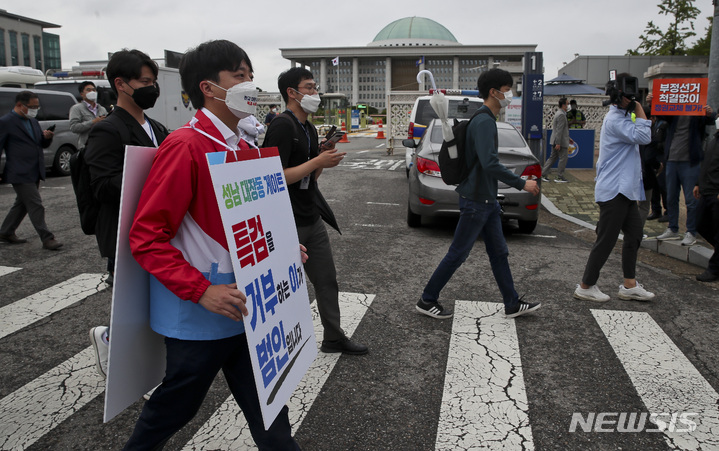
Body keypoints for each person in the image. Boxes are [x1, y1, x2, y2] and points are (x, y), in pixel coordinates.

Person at [125, 39, 300, 450]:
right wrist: (201, 290)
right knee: (176, 407)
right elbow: (146, 237)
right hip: (200, 314)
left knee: (270, 408)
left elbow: (252, 222)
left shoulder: (242, 144)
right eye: (240, 76)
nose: (251, 85)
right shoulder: (185, 146)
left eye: (251, 75)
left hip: (250, 305)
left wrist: (282, 251)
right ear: (208, 87)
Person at [416, 68, 541, 319]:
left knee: (499, 252)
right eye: (507, 90)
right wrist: (521, 183)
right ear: (494, 92)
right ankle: (427, 299)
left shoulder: (486, 119)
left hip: (486, 199)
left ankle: (512, 303)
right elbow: (489, 163)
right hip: (476, 200)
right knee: (458, 253)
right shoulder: (484, 121)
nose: (510, 95)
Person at [263, 67, 368, 355]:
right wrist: (315, 161)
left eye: (314, 87)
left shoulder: (307, 127)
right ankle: (279, 347)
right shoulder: (282, 126)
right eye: (308, 88)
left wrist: (323, 157)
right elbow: (273, 176)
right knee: (285, 289)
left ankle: (333, 338)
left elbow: (310, 178)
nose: (314, 93)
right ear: (292, 93)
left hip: (311, 216)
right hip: (287, 222)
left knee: (326, 280)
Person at [85, 49, 169, 379]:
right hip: (125, 232)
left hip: (158, 229)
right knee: (136, 306)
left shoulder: (158, 128)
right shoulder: (108, 129)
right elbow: (102, 186)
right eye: (145, 82)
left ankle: (115, 343)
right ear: (121, 84)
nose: (152, 88)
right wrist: (153, 174)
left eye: (154, 81)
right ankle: (134, 371)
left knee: (151, 303)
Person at [574, 73, 655, 303]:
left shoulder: (622, 117)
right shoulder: (615, 120)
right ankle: (585, 285)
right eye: (628, 95)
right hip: (614, 191)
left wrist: (632, 106)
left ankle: (629, 285)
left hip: (625, 191)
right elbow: (644, 135)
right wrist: (638, 107)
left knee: (635, 235)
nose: (632, 98)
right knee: (606, 240)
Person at [0, 91, 62, 250]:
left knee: (21, 204)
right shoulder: (6, 122)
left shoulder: (32, 121)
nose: (35, 110)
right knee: (35, 204)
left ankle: (6, 231)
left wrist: (47, 137)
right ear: (20, 105)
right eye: (32, 107)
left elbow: (39, 144)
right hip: (19, 171)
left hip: (35, 170)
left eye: (37, 107)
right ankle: (47, 238)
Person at [655, 93, 716, 246]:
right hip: (672, 160)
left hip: (690, 162)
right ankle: (673, 228)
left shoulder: (698, 111)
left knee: (691, 200)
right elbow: (659, 112)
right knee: (671, 197)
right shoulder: (674, 111)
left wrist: (710, 112)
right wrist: (654, 100)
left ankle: (691, 231)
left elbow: (710, 119)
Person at [693, 126, 719, 282]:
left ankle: (714, 269)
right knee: (700, 224)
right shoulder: (714, 139)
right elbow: (707, 163)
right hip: (706, 190)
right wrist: (698, 183)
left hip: (716, 193)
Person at [69, 81, 108, 151]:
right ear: (82, 94)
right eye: (88, 90)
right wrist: (93, 122)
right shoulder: (77, 108)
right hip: (86, 148)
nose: (92, 92)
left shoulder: (102, 109)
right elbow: (74, 127)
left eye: (94, 90)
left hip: (102, 147)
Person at [542, 97, 570, 183]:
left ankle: (543, 174)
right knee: (563, 158)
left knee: (552, 158)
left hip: (555, 140)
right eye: (567, 104)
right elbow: (559, 130)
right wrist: (558, 143)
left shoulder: (559, 113)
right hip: (560, 142)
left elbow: (560, 130)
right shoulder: (561, 115)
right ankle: (559, 176)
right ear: (563, 105)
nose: (568, 106)